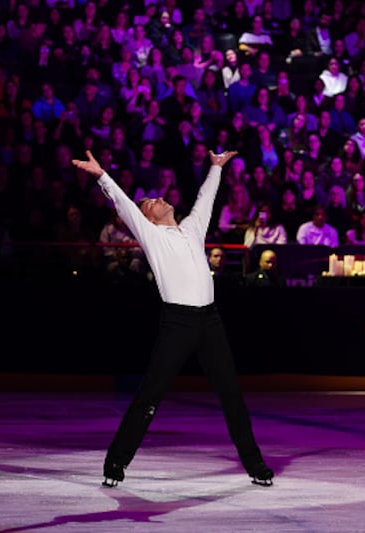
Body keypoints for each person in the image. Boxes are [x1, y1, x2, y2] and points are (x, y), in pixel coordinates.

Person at [71, 149, 274, 488]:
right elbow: (123, 204)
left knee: (231, 394)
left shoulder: (192, 229)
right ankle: (116, 462)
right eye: (151, 200)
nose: (160, 198)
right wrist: (102, 175)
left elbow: (205, 200)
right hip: (178, 323)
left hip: (210, 322)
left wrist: (214, 168)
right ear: (147, 217)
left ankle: (255, 465)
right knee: (150, 394)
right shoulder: (152, 236)